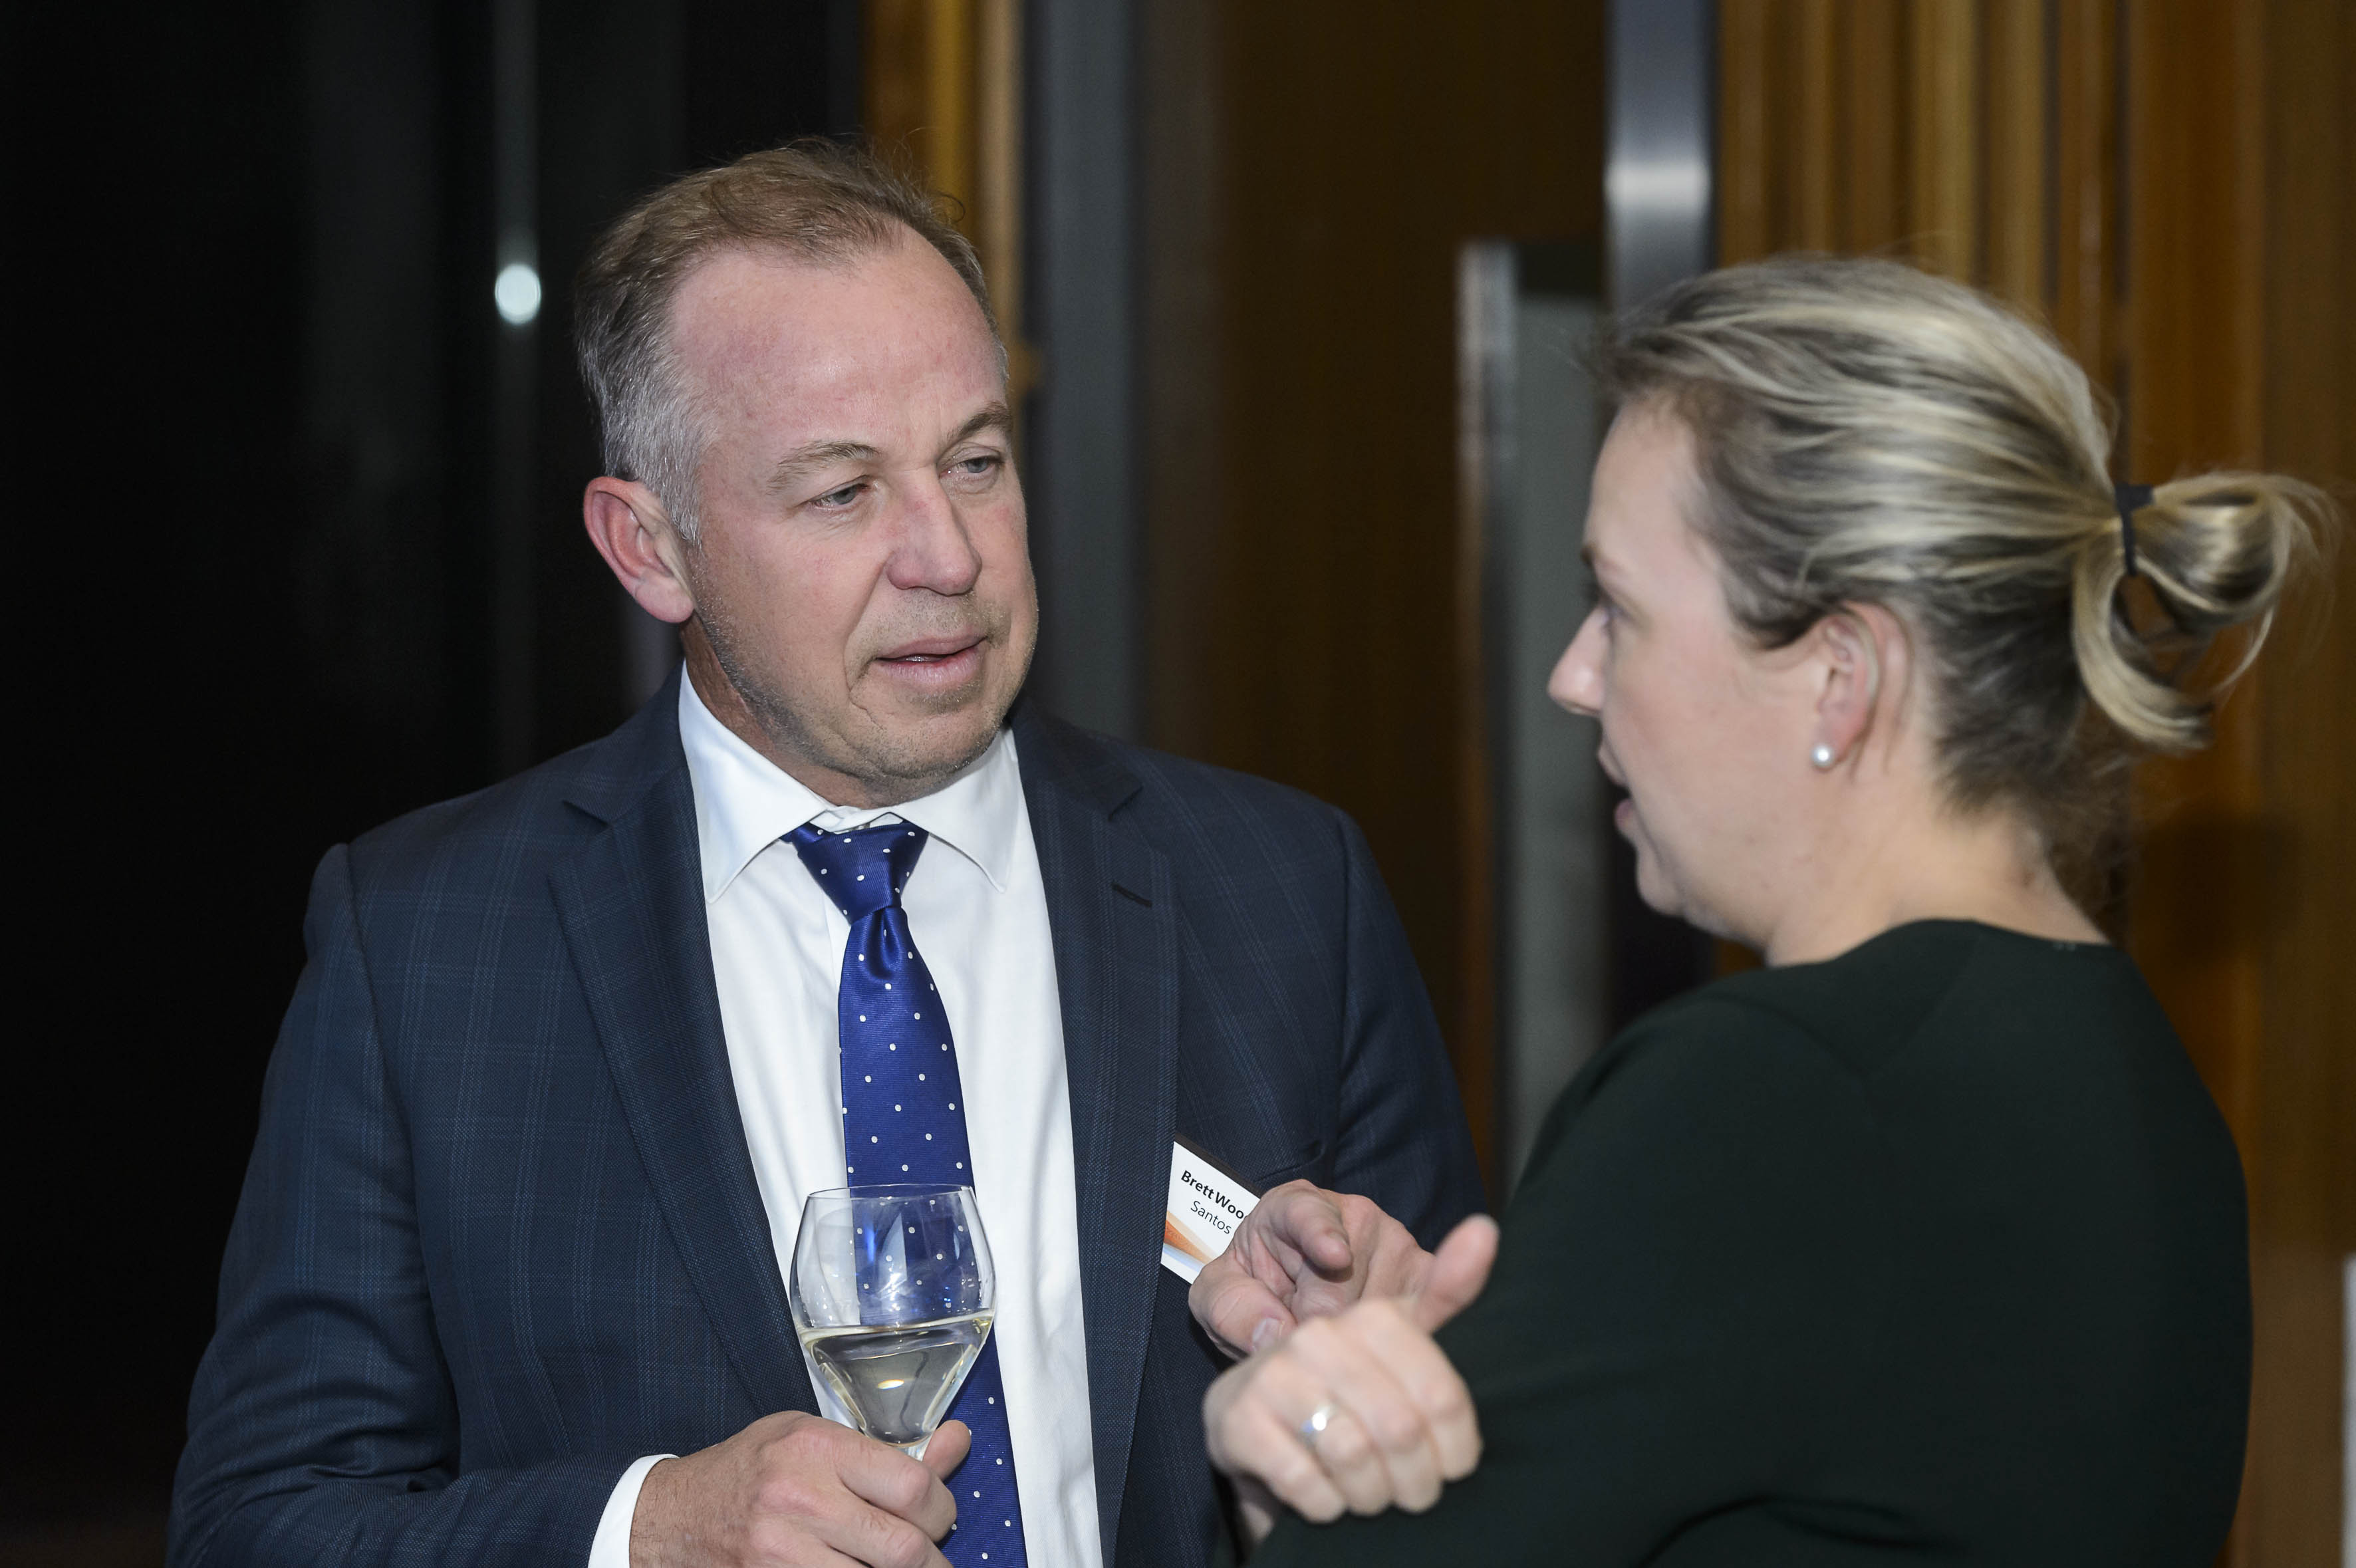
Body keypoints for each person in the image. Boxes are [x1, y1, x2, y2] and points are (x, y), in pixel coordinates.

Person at [168, 142, 1484, 1568]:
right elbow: (261, 1522)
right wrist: (647, 1530)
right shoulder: (430, 949)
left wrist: (1363, 1403)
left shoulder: (1282, 892)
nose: (948, 556)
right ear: (650, 548)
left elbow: (1492, 1479)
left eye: (974, 462)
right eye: (843, 492)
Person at [1199, 254, 2329, 1563]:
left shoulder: (1763, 1092)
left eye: (1618, 608)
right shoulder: (2144, 1085)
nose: (1573, 677)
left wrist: (1277, 1433)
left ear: (1840, 676)